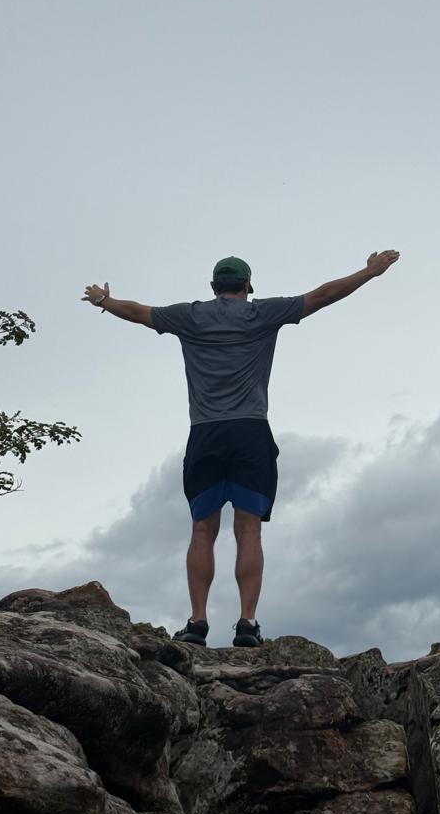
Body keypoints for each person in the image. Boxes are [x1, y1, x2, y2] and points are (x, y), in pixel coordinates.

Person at [82, 250, 400, 648]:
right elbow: (323, 295)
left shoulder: (189, 316)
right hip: (250, 431)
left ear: (213, 287)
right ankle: (247, 624)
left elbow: (136, 312)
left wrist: (102, 301)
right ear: (247, 286)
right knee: (249, 530)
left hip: (205, 433)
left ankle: (197, 623)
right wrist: (370, 273)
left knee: (202, 530)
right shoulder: (261, 313)